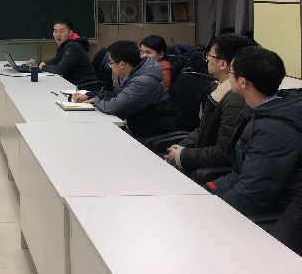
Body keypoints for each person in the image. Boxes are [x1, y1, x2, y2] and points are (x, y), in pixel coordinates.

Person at [206, 46, 302, 217]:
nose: (228, 75)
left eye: (230, 71)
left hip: (276, 214)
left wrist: (211, 212)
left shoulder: (274, 130)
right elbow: (241, 174)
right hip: (248, 193)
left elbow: (251, 196)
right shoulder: (262, 108)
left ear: (243, 82)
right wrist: (207, 192)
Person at [163, 33, 254, 172]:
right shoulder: (219, 89)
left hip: (208, 169)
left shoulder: (235, 98)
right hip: (200, 157)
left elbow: (223, 153)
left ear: (223, 64)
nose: (207, 60)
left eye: (210, 56)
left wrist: (182, 156)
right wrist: (180, 147)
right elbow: (203, 130)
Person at [72, 40, 181, 139]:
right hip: (143, 127)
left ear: (122, 64)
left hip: (156, 133)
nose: (110, 66)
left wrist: (96, 100)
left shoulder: (142, 82)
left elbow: (114, 107)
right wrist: (90, 95)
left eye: (111, 63)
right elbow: (117, 94)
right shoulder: (136, 74)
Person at [27, 20, 98, 88]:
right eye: (55, 31)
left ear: (70, 33)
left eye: (61, 31)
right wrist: (37, 63)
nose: (58, 35)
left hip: (85, 86)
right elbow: (56, 61)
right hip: (72, 83)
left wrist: (42, 67)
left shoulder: (73, 47)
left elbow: (59, 69)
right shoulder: (65, 45)